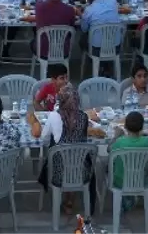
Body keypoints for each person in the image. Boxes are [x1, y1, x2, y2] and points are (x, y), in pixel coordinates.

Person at [39, 85, 99, 214]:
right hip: (81, 170)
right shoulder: (83, 117)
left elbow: (44, 139)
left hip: (59, 172)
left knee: (56, 155)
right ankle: (69, 201)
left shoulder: (54, 116)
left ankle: (65, 201)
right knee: (76, 158)